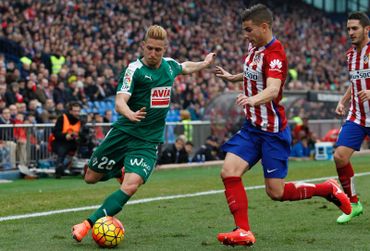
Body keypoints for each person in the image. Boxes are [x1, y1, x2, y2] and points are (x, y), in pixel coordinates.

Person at [214, 4, 351, 246]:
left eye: (249, 30)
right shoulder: (254, 47)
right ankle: (243, 230)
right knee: (228, 172)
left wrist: (252, 99)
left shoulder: (275, 53)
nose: (245, 35)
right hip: (251, 128)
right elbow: (254, 73)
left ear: (264, 27)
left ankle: (327, 188)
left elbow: (273, 88)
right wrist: (233, 77)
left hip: (272, 132)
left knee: (275, 192)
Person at [71, 25, 215, 242]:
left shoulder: (169, 66)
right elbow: (120, 100)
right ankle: (120, 169)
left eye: (158, 49)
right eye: (150, 48)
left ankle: (86, 224)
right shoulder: (134, 70)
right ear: (143, 46)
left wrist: (203, 64)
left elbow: (185, 66)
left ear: (165, 49)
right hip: (124, 132)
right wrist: (129, 113)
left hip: (147, 141)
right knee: (90, 178)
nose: (154, 54)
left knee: (131, 185)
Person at [333, 12, 370, 224]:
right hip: (357, 116)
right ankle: (354, 204)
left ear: (367, 29)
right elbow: (355, 82)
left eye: (354, 28)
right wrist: (343, 100)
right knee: (340, 157)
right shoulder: (350, 55)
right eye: (348, 29)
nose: (350, 33)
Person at [51, 102, 82, 179]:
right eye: (75, 111)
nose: (77, 113)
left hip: (74, 142)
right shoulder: (62, 118)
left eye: (78, 111)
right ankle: (59, 169)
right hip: (60, 141)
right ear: (70, 111)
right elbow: (55, 132)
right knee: (62, 150)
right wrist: (65, 136)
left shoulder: (81, 120)